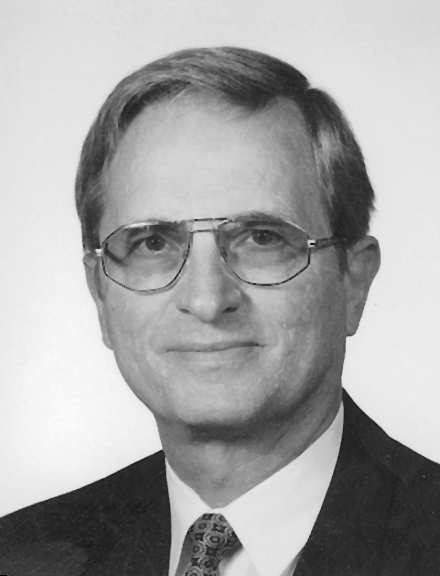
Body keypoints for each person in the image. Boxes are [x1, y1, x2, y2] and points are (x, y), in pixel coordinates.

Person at [1, 46, 439, 576]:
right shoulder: (20, 554)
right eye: (153, 243)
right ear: (100, 292)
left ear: (353, 281)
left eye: (262, 238)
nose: (207, 300)